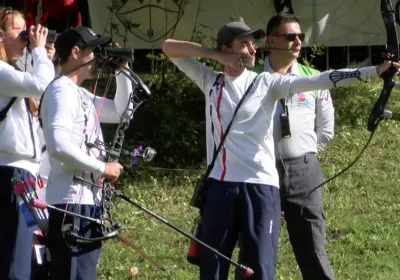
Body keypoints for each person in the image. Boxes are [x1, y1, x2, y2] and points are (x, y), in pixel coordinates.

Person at [162, 20, 400, 280]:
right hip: (220, 188)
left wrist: (373, 72)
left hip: (260, 188)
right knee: (212, 269)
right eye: (245, 44)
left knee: (259, 270)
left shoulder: (266, 82)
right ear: (225, 48)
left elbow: (321, 80)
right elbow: (168, 47)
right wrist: (214, 55)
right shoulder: (210, 80)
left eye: (254, 44)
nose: (253, 49)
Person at [235, 13, 336, 280]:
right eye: (290, 36)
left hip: (304, 171)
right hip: (258, 170)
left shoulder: (313, 78)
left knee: (313, 248)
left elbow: (325, 131)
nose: (297, 42)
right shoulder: (249, 78)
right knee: (254, 248)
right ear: (271, 40)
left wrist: (301, 154)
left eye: (300, 37)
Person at [39, 26, 133, 280]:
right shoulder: (61, 90)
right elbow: (59, 145)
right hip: (71, 204)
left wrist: (122, 71)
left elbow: (120, 111)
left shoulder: (77, 92)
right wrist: (102, 168)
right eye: (94, 51)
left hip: (85, 204)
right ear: (75, 52)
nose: (98, 58)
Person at [0, 7, 55, 280]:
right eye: (18, 29)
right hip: (10, 174)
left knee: (23, 255)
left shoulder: (12, 73)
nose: (26, 35)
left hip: (23, 176)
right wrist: (39, 53)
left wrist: (42, 58)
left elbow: (46, 95)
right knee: (15, 264)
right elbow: (41, 85)